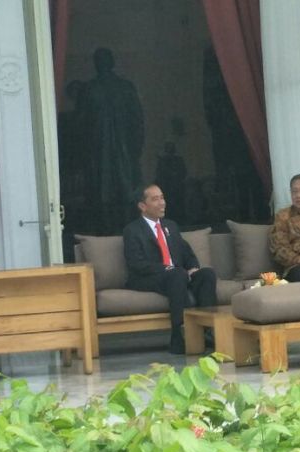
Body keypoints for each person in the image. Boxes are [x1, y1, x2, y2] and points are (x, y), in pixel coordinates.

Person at [123, 185, 217, 354]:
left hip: (176, 275)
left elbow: (187, 253)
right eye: (155, 199)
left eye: (162, 197)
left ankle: (207, 331)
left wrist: (193, 268)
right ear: (142, 206)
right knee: (177, 275)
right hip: (148, 277)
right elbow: (137, 264)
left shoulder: (170, 226)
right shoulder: (132, 230)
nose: (162, 203)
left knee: (207, 275)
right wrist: (168, 269)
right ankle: (179, 336)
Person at [77, 47, 144, 235]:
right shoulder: (91, 89)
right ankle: (111, 232)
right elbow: (81, 126)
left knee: (119, 193)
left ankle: (123, 232)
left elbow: (137, 121)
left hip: (115, 152)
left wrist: (134, 150)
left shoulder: (118, 88)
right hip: (103, 152)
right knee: (107, 194)